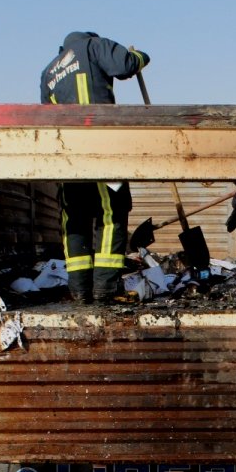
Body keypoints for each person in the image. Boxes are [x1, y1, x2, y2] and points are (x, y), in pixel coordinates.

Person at [40, 32, 149, 303]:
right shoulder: (92, 45)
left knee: (75, 218)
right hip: (101, 147)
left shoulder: (49, 70)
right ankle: (105, 289)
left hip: (68, 156)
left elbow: (45, 115)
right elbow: (125, 65)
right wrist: (141, 57)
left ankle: (79, 290)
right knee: (112, 212)